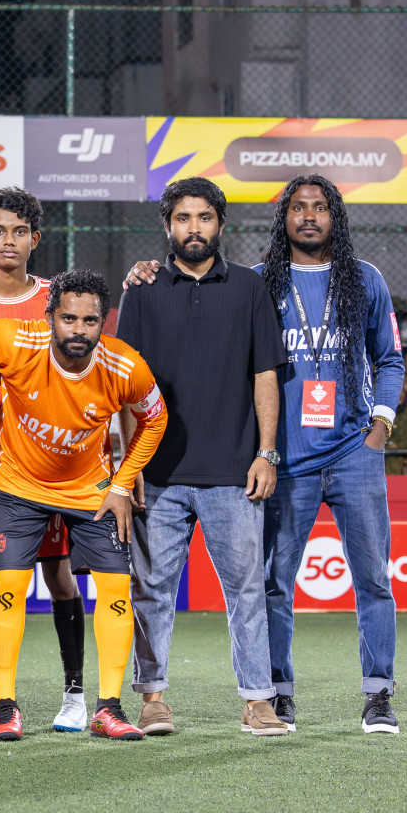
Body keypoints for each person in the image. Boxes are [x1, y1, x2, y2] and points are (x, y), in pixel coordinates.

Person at [126, 172, 405, 734]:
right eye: (297, 208)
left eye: (319, 207)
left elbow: (391, 358)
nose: (308, 216)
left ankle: (378, 694)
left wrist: (380, 425)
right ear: (282, 219)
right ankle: (277, 694)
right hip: (288, 461)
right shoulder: (259, 282)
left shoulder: (365, 279)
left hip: (352, 451)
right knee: (273, 582)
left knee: (373, 578)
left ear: (335, 217)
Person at [0, 269, 167, 741]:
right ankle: (5, 708)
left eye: (90, 320)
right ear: (49, 318)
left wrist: (123, 483)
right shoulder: (15, 341)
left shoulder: (126, 366)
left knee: (116, 590)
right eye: (68, 318)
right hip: (19, 486)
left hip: (90, 490)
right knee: (9, 585)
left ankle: (108, 708)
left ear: (104, 321)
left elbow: (156, 418)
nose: (79, 330)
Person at [115, 177, 289, 737]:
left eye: (205, 218)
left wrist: (266, 452)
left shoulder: (248, 288)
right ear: (167, 226)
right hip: (158, 474)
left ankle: (258, 701)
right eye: (183, 218)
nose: (194, 228)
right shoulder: (139, 291)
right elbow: (123, 383)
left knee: (246, 591)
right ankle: (152, 699)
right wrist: (129, 466)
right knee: (151, 591)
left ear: (221, 224)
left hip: (233, 474)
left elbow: (266, 375)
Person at [0, 187, 91, 732]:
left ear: (36, 239)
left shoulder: (57, 297)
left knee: (57, 575)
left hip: (45, 458)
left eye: (20, 231)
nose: (9, 241)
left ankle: (75, 692)